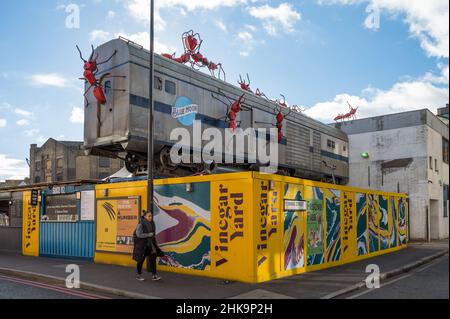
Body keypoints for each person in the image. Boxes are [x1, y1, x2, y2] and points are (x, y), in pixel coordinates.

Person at [133, 210, 163, 281]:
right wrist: (148, 235)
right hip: (143, 245)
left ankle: (154, 275)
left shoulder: (152, 223)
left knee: (153, 259)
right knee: (140, 260)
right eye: (149, 216)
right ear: (145, 216)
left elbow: (153, 234)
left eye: (151, 216)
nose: (151, 217)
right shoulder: (141, 224)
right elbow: (138, 234)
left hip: (150, 245)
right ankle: (139, 275)